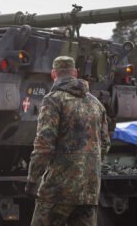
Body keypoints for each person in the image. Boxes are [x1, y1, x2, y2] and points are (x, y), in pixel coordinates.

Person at [25, 56, 111, 226]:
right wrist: (87, 168)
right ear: (76, 73)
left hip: (58, 190)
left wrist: (32, 179)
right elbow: (105, 144)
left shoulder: (53, 100)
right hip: (89, 190)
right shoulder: (96, 104)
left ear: (53, 74)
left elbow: (44, 145)